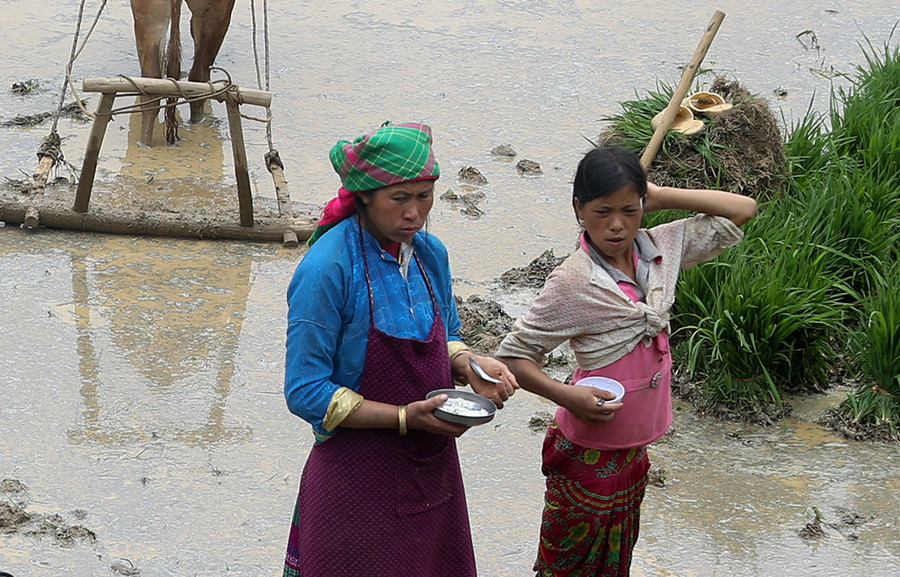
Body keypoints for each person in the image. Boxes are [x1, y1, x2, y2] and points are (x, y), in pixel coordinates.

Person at [497, 146, 757, 576]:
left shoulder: (660, 250)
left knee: (615, 562)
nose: (616, 225)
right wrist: (568, 396)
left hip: (633, 452)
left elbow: (741, 209)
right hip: (584, 454)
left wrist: (659, 195)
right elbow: (514, 357)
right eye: (602, 212)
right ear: (579, 208)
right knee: (565, 566)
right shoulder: (574, 282)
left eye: (629, 210)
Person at [282, 121, 518, 577]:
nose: (416, 213)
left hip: (431, 471)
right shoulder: (327, 269)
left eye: (424, 196)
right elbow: (305, 390)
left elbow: (445, 333)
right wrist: (405, 417)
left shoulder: (430, 255)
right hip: (354, 481)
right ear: (366, 195)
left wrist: (470, 363)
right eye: (400, 198)